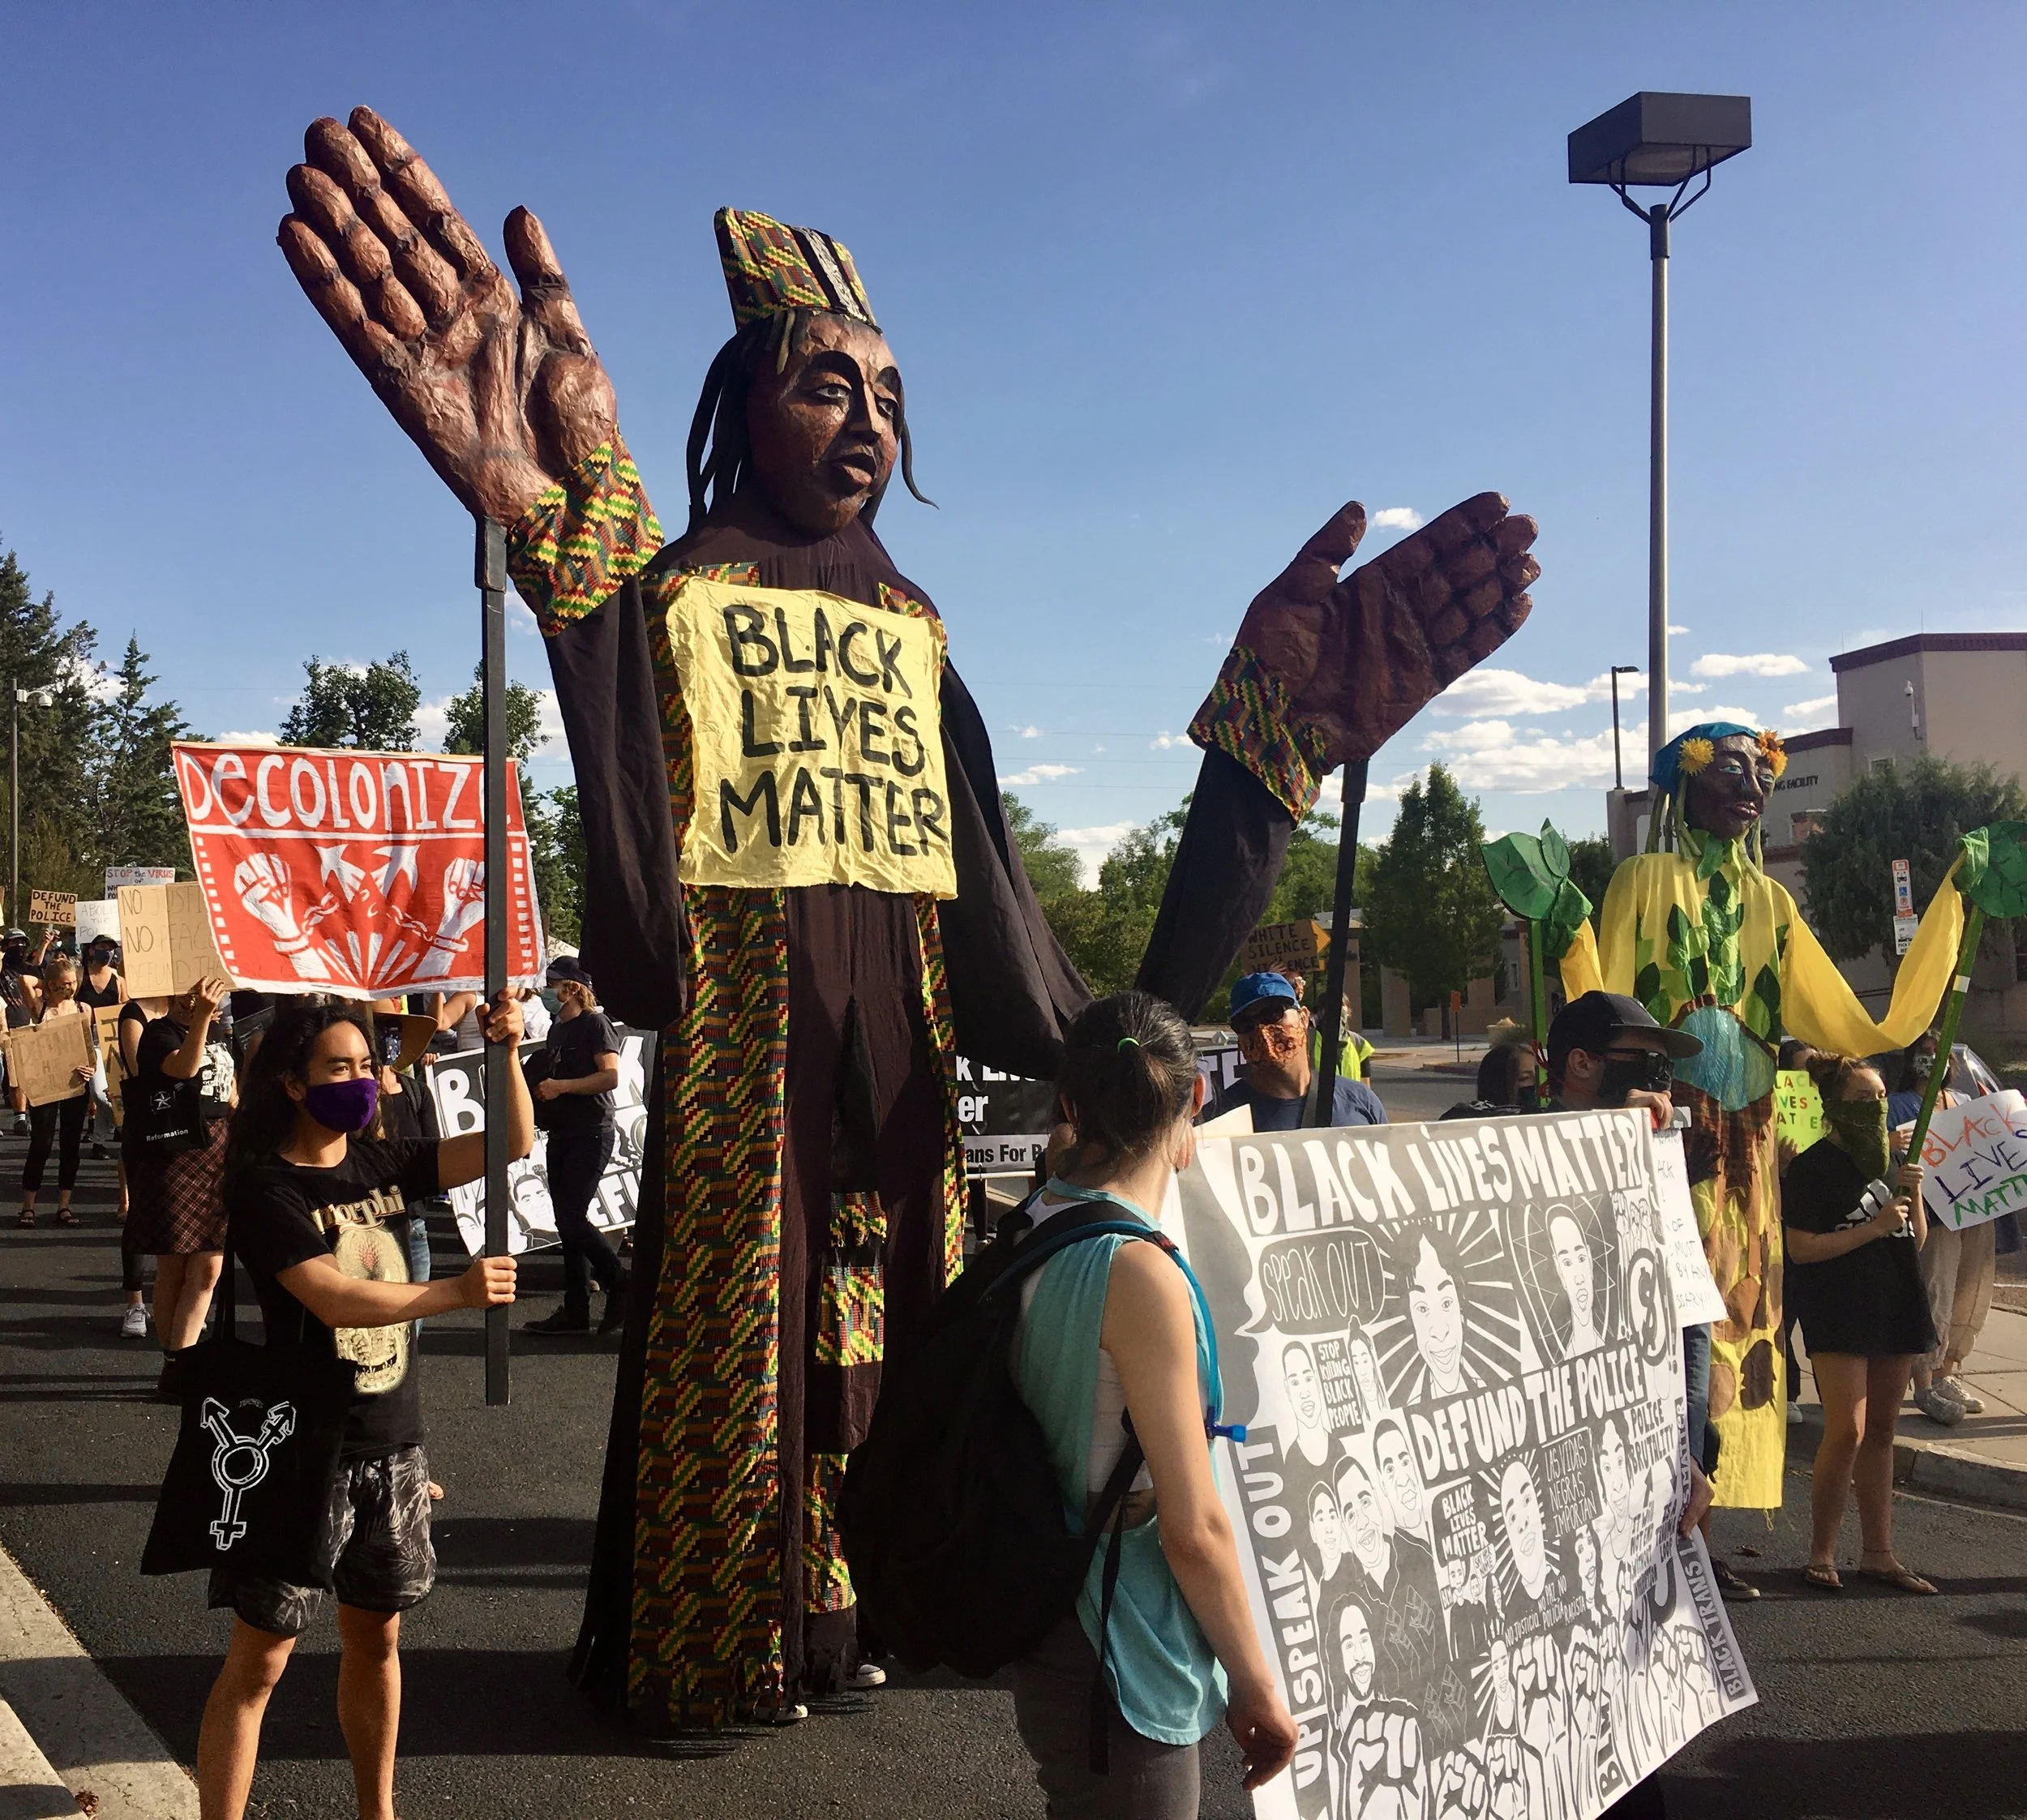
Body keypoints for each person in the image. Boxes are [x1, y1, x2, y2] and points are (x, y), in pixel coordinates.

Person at [276, 108, 1536, 1726]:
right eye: (827, 384)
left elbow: (1059, 1001)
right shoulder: (679, 598)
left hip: (907, 1114)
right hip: (750, 1110)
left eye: (887, 394)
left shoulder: (912, 631)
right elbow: (647, 938)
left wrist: (1255, 779)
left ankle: (862, 1613)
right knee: (752, 1354)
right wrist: (567, 548)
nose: (868, 419)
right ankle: (722, 1636)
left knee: (894, 1359)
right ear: (743, 408)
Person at [1559, 724, 1964, 1518]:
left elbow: (1851, 1024)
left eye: (1764, 778)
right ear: (1687, 784)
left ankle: (1705, 1512)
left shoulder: (1771, 902)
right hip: (1671, 1140)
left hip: (1748, 1149)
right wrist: (1566, 926)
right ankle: (1663, 1508)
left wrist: (1954, 903)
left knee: (1741, 1320)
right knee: (1669, 1321)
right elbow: (1601, 999)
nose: (1752, 788)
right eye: (1734, 770)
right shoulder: (1641, 879)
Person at [194, 993, 530, 1820]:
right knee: (260, 1662)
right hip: (303, 1455)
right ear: (295, 1084)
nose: (363, 1082)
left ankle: (377, 1811)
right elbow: (333, 1297)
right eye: (339, 1068)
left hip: (393, 1447)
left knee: (377, 1639)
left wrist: (508, 1054)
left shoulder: (383, 1162)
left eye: (366, 1065)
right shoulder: (264, 1186)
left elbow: (511, 1141)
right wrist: (452, 1290)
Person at [1009, 991, 1295, 1814]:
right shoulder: (1141, 1274)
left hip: (1051, 1609)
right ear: (1196, 1099)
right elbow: (1193, 1527)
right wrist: (1255, 1683)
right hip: (1123, 1639)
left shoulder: (1034, 1220)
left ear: (1069, 1104)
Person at [1784, 1050, 1936, 1594]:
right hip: (1839, 1306)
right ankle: (1821, 1549)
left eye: (1878, 1098)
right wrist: (1871, 1229)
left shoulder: (1891, 1165)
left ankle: (1879, 1552)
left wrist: (1913, 1198)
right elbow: (1801, 1248)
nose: (1873, 1107)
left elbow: (1912, 1239)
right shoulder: (1811, 1167)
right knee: (1846, 1427)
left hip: (1895, 1303)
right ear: (1834, 1106)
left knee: (1883, 1431)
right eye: (1860, 1099)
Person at [123, 978, 236, 1400]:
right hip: (174, 1155)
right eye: (200, 995)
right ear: (179, 996)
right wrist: (203, 1018)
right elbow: (184, 1069)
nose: (209, 1000)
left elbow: (230, 1088)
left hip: (218, 1153)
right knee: (173, 1265)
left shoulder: (221, 1027)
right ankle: (176, 1363)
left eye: (212, 995)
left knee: (209, 1266)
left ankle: (184, 1361)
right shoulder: (158, 1033)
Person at [1888, 1033, 1997, 1427]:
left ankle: (1946, 1371)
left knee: (1968, 1291)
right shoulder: (1898, 1106)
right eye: (1925, 1054)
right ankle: (1923, 1381)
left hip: (1973, 1212)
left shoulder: (1964, 1104)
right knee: (1934, 1290)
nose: (1933, 1062)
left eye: (1940, 1055)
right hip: (1932, 1215)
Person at [525, 957, 629, 1335]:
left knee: (572, 1218)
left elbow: (611, 1076)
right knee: (565, 1222)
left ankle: (620, 1283)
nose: (547, 991)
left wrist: (561, 1087)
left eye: (553, 984)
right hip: (563, 1132)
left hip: (592, 1131)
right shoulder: (558, 1030)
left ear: (570, 988)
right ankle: (576, 1308)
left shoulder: (594, 1024)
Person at [1206, 973, 1386, 1130]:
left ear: (1304, 1017)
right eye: (1245, 1024)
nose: (1262, 1030)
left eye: (1273, 1014)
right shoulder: (1216, 1120)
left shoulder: (1360, 1101)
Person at [14, 955, 96, 1227]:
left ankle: (64, 1205)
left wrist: (90, 1070)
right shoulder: (40, 1007)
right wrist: (48, 984)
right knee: (41, 1143)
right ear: (50, 985)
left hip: (75, 1084)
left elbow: (88, 1048)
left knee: (70, 1145)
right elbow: (24, 980)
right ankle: (29, 1206)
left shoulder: (83, 1008)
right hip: (46, 1084)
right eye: (63, 984)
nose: (68, 989)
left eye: (72, 983)